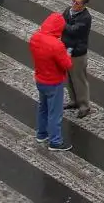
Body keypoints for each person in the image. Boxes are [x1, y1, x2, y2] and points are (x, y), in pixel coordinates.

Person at [29, 11, 73, 152]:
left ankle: (41, 134)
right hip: (54, 82)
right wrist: (68, 54)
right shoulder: (56, 45)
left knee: (43, 107)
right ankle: (55, 141)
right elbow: (67, 65)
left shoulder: (35, 37)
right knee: (55, 113)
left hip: (40, 78)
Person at [61, 0, 93, 118]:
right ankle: (74, 101)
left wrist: (62, 24)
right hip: (66, 49)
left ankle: (84, 106)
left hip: (77, 53)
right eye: (73, 0)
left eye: (77, 2)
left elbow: (73, 30)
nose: (73, 4)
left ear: (84, 5)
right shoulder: (68, 10)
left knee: (79, 79)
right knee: (69, 77)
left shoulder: (85, 17)